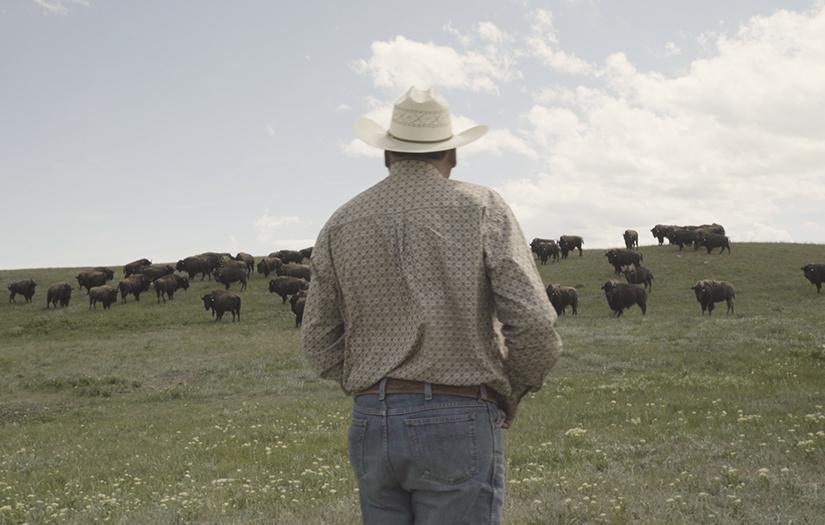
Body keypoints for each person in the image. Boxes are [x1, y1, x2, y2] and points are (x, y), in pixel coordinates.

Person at [302, 87, 562, 524]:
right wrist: (510, 390)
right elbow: (534, 323)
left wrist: (369, 384)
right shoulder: (481, 207)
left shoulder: (340, 223)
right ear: (453, 153)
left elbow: (317, 343)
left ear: (387, 154)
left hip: (371, 421)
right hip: (458, 413)